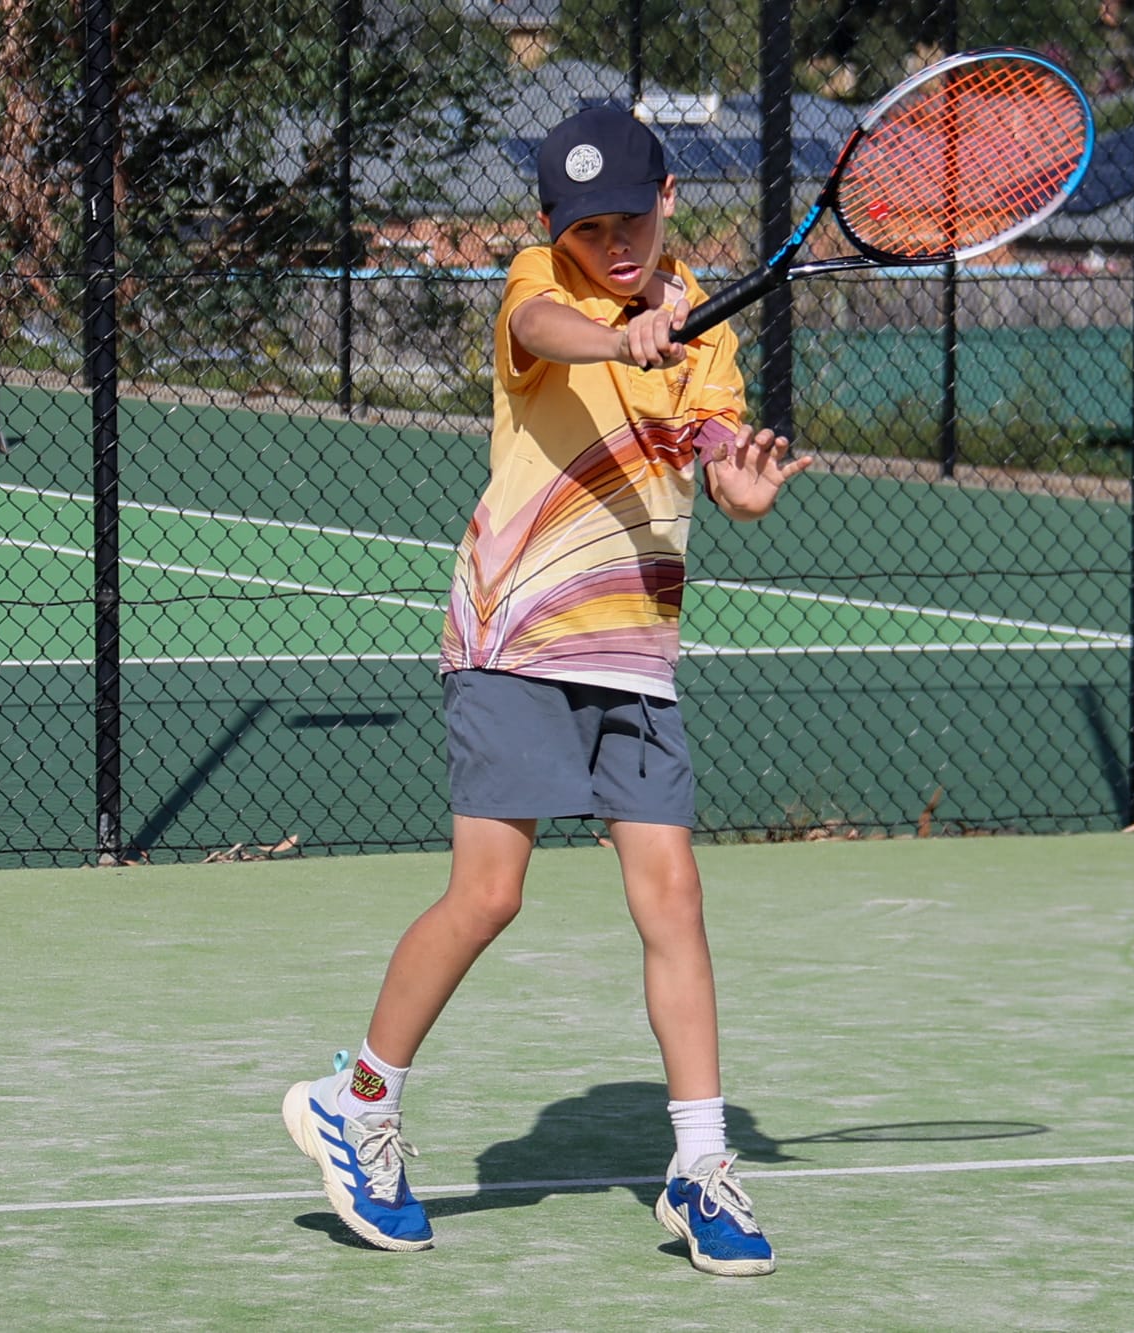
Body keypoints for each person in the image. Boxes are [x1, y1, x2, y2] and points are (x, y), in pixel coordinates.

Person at [282, 104, 810, 1277]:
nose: (609, 243)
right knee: (489, 894)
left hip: (636, 652)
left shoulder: (704, 333)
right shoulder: (542, 283)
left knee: (672, 895)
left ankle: (699, 1163)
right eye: (585, 228)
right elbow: (541, 323)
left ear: (669, 197)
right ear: (549, 227)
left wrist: (744, 486)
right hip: (514, 637)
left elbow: (718, 459)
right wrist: (618, 338)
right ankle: (357, 1099)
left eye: (628, 218)